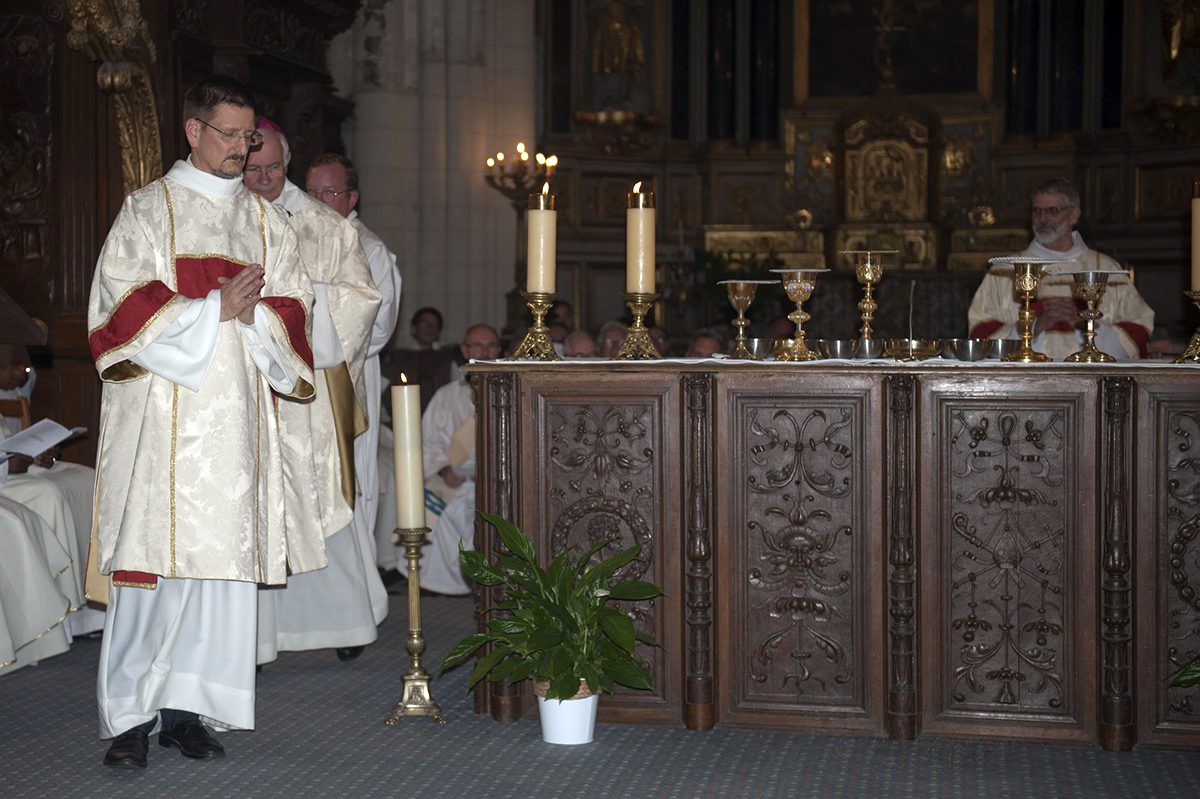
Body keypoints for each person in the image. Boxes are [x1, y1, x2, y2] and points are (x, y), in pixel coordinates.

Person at [86, 75, 317, 769]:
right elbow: (117, 311)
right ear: (193, 131)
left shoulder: (267, 222)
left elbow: (294, 314)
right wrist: (210, 311)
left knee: (218, 574)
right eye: (228, 135)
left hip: (236, 427)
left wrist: (255, 319)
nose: (241, 151)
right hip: (163, 425)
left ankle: (188, 707)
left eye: (249, 137)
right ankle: (130, 717)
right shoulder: (148, 211)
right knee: (153, 570)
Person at [244, 125, 385, 666]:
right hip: (246, 388)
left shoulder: (327, 228)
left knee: (321, 499)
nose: (262, 180)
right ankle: (255, 637)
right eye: (251, 170)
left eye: (273, 169)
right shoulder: (222, 217)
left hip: (308, 394)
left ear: (288, 164)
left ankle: (340, 619)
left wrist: (300, 308)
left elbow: (360, 302)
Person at [305, 151, 404, 619]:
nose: (320, 202)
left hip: (350, 377)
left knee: (354, 488)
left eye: (330, 193)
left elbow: (379, 327)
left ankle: (359, 604)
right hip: (303, 378)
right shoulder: (298, 238)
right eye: (312, 193)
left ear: (351, 197)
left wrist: (318, 325)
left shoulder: (370, 250)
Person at [967, 178, 1154, 360]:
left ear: (1074, 215)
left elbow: (1139, 330)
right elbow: (980, 332)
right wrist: (1033, 327)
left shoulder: (1105, 268)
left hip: (1091, 380)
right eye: (1037, 211)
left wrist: (1086, 325)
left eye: (1052, 211)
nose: (1042, 219)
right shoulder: (1005, 270)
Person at [382, 324, 499, 595]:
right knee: (433, 506)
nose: (485, 351)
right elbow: (426, 443)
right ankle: (438, 584)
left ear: (499, 349)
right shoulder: (446, 396)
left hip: (495, 482)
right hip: (453, 480)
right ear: (464, 350)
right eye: (477, 345)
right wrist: (445, 468)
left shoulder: (515, 392)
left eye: (491, 345)